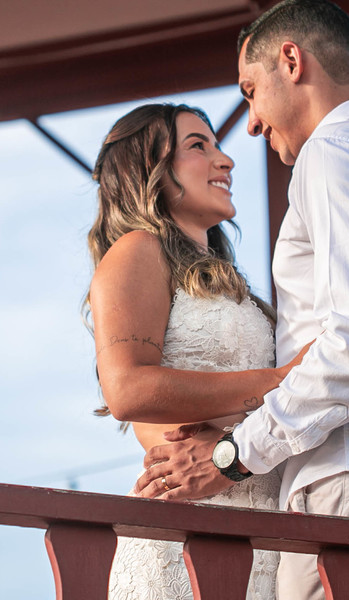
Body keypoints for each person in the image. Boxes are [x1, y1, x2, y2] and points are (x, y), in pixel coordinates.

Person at [133, 0, 349, 600]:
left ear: (291, 60)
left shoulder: (334, 155)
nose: (249, 123)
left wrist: (232, 456)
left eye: (250, 90)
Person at [86, 103, 309, 600]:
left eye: (217, 145)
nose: (225, 159)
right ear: (149, 170)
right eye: (197, 146)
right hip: (190, 523)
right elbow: (127, 389)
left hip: (264, 519)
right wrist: (280, 382)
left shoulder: (237, 289)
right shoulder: (137, 250)